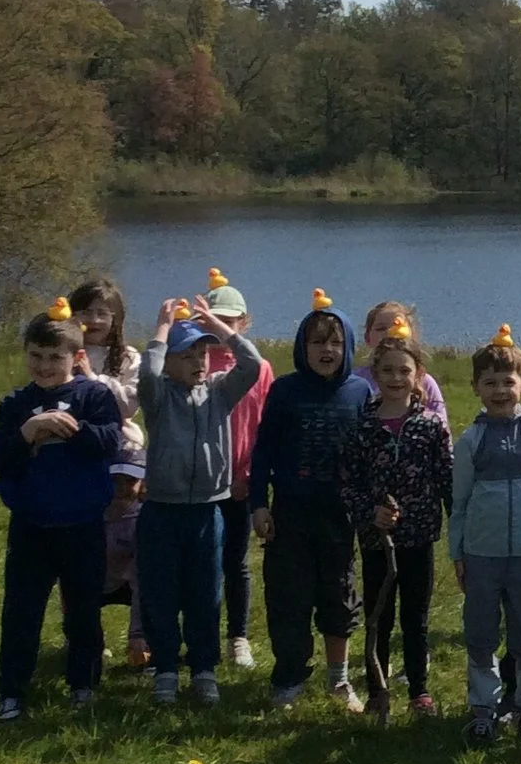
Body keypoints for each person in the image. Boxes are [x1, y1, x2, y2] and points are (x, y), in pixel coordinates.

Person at [0, 297, 125, 720]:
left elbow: (109, 442)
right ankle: (12, 690)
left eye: (55, 357)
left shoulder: (95, 396)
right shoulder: (15, 404)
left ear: (77, 357)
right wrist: (27, 434)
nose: (45, 366)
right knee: (21, 611)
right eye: (36, 356)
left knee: (84, 609)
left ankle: (83, 684)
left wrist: (75, 431)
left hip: (83, 522)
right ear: (25, 354)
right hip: (31, 524)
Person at [137, 296, 266, 706]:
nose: (200, 362)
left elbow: (254, 364)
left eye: (204, 353)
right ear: (169, 363)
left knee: (205, 592)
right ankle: (167, 670)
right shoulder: (158, 399)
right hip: (161, 510)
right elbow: (146, 371)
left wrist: (219, 326)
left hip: (208, 510)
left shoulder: (219, 392)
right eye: (188, 355)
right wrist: (161, 329)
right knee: (161, 592)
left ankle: (204, 669)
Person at [251, 290, 374, 710]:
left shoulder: (360, 393)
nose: (327, 350)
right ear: (304, 347)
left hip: (339, 515)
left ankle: (339, 679)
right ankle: (289, 678)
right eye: (318, 342)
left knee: (339, 596)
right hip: (290, 512)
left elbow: (370, 454)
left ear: (349, 347)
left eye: (336, 343)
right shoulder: (285, 391)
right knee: (289, 597)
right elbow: (263, 449)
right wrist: (258, 503)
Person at [451, 327, 521, 745]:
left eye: (508, 382)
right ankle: (484, 708)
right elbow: (459, 502)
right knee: (481, 631)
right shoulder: (471, 440)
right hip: (481, 555)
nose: (500, 390)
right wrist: (457, 552)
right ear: (476, 387)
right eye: (490, 383)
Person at [338, 328, 453, 717]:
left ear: (417, 374)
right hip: (376, 540)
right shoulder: (363, 427)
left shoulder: (431, 426)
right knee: (379, 616)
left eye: (403, 370)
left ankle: (419, 691)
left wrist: (460, 529)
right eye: (387, 370)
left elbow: (446, 479)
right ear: (376, 373)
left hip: (419, 536)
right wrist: (371, 512)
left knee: (415, 618)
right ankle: (377, 690)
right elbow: (348, 482)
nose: (395, 378)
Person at [69, 278, 149, 671]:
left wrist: (91, 376)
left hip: (123, 454)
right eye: (85, 311)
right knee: (82, 547)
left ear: (116, 318)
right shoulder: (63, 350)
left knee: (131, 544)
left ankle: (140, 635)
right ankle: (85, 638)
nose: (94, 319)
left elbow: (128, 405)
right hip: (77, 452)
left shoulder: (128, 357)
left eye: (103, 312)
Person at [199, 270, 274, 673]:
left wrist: (249, 474)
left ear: (243, 322)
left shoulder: (258, 367)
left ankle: (238, 637)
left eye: (229, 322)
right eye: (215, 321)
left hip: (241, 480)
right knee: (202, 560)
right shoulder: (193, 360)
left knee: (236, 562)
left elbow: (264, 424)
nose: (221, 329)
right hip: (201, 481)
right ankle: (202, 636)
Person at [356, 299, 452, 426]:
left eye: (397, 326)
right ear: (367, 338)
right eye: (381, 328)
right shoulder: (356, 380)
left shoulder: (426, 383)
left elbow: (442, 428)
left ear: (412, 336)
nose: (389, 332)